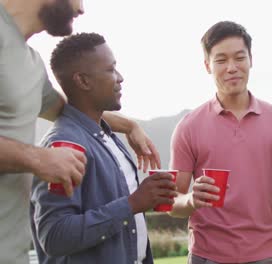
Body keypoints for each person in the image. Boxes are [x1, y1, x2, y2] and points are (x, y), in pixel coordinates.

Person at [0, 1, 159, 262]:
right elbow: (55, 235)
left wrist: (129, 125)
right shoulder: (62, 144)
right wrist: (37, 158)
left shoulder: (31, 64)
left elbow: (67, 108)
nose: (82, 9)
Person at [30, 32, 177, 264]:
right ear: (83, 81)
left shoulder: (108, 136)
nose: (120, 78)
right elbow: (55, 235)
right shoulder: (64, 145)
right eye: (110, 70)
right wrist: (134, 203)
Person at [169, 21, 272, 264]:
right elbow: (171, 201)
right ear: (207, 66)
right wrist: (190, 199)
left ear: (251, 60)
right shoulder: (188, 127)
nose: (232, 67)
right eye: (221, 60)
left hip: (266, 257)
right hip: (206, 257)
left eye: (239, 57)